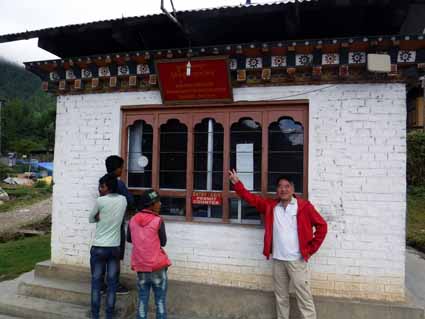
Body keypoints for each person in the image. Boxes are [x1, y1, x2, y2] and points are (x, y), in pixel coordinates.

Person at [228, 169, 327, 319]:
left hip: (297, 261)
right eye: (280, 186)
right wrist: (237, 183)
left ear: (292, 189)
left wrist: (310, 249)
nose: (283, 189)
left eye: (287, 186)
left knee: (304, 298)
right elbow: (252, 199)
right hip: (278, 260)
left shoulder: (304, 206)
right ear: (277, 190)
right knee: (281, 298)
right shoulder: (271, 206)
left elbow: (322, 226)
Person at [127, 189, 171, 319]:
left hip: (141, 267)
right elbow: (163, 242)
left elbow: (129, 239)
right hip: (157, 267)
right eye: (158, 202)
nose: (160, 204)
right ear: (151, 205)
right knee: (160, 302)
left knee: (142, 301)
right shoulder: (158, 220)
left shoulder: (133, 220)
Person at [89, 174, 127, 319]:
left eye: (102, 186)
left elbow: (91, 218)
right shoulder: (123, 200)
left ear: (108, 187)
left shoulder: (100, 201)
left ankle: (95, 315)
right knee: (111, 285)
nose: (100, 189)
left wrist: (99, 216)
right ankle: (109, 315)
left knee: (96, 284)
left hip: (99, 248)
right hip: (114, 249)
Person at [104, 155, 135, 294]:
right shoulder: (119, 184)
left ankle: (101, 285)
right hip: (117, 225)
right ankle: (114, 284)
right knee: (115, 256)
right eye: (121, 168)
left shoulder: (102, 182)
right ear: (117, 169)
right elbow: (130, 201)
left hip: (103, 225)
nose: (123, 170)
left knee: (104, 254)